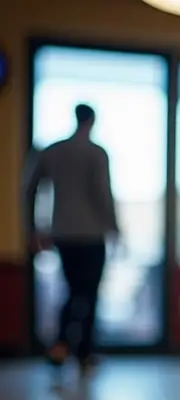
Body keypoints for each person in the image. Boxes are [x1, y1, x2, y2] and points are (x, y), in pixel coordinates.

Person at [22, 103, 119, 375]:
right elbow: (103, 194)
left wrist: (33, 228)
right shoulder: (96, 153)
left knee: (73, 289)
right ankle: (80, 351)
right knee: (88, 292)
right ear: (91, 121)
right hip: (92, 234)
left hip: (62, 233)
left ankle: (62, 346)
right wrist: (114, 228)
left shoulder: (53, 152)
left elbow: (29, 189)